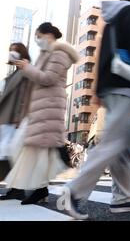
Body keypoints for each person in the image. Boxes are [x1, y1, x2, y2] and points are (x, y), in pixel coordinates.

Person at [62, 0, 130, 220]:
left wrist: (96, 90)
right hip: (127, 85)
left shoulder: (112, 18)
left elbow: (100, 56)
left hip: (111, 85)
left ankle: (125, 199)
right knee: (114, 143)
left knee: (124, 145)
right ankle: (74, 192)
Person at [3, 23, 79, 205]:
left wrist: (27, 68)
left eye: (39, 36)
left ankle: (41, 187)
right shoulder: (46, 54)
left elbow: (48, 78)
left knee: (33, 150)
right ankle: (39, 189)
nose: (37, 40)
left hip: (49, 108)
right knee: (33, 151)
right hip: (41, 109)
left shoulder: (60, 53)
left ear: (48, 35)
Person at [0, 43, 32, 201]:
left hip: (14, 119)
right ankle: (15, 188)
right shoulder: (14, 74)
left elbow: (25, 97)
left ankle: (18, 188)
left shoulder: (25, 71)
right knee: (7, 154)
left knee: (11, 154)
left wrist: (21, 118)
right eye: (10, 50)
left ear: (22, 53)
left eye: (15, 50)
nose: (12, 53)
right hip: (6, 119)